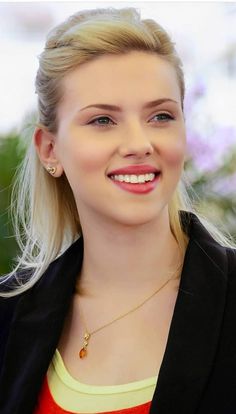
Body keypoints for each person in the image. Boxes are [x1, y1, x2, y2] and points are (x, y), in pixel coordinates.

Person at [0, 7, 235, 414]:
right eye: (103, 120)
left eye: (161, 116)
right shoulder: (7, 311)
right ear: (50, 149)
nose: (139, 142)